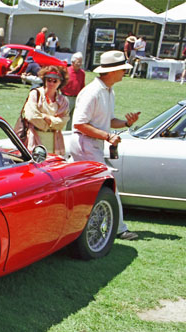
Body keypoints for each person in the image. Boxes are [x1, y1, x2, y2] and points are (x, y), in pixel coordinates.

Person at [67, 50, 140, 241]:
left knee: (87, 188)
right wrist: (108, 136)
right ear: (112, 71)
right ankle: (119, 229)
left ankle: (80, 226)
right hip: (85, 143)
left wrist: (126, 123)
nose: (124, 72)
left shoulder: (108, 91)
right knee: (108, 185)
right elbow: (79, 124)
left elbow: (107, 120)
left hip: (91, 143)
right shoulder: (93, 92)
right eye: (122, 69)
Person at [21, 65, 69, 155]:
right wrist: (50, 124)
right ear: (44, 80)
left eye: (55, 81)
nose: (51, 83)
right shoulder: (35, 94)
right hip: (34, 138)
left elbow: (62, 122)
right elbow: (31, 116)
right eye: (49, 80)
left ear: (60, 82)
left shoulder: (63, 101)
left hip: (55, 141)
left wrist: (44, 116)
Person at [61, 52, 85, 130]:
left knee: (73, 118)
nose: (80, 64)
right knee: (63, 117)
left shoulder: (82, 73)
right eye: (78, 62)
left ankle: (68, 133)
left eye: (81, 62)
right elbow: (61, 84)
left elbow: (82, 85)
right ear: (73, 62)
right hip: (67, 97)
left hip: (77, 98)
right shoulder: (66, 71)